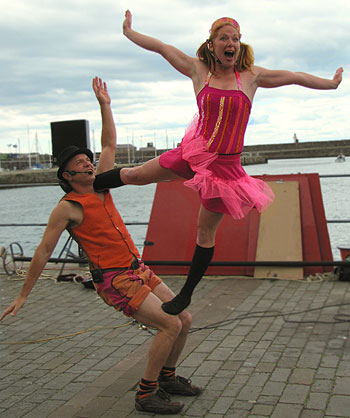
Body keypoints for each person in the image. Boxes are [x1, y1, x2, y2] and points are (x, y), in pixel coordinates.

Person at [94, 10, 344, 316]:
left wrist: (330, 84)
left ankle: (185, 294)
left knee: (204, 233)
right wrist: (130, 33)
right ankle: (88, 185)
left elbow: (293, 77)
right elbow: (162, 48)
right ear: (211, 44)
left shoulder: (252, 76)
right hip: (194, 152)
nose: (231, 43)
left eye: (236, 39)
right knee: (134, 174)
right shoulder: (199, 70)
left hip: (224, 171)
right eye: (224, 38)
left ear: (240, 44)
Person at [0, 77, 201, 415]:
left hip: (137, 269)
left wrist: (105, 105)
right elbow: (43, 251)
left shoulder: (102, 187)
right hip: (114, 279)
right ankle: (145, 394)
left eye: (88, 161)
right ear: (66, 175)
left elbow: (108, 146)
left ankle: (167, 377)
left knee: (184, 317)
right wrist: (22, 295)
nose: (88, 164)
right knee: (170, 324)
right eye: (79, 163)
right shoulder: (68, 207)